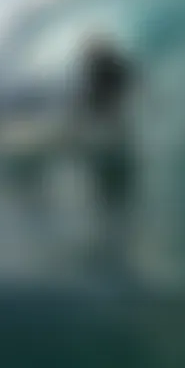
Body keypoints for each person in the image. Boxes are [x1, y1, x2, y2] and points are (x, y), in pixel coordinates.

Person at [77, 33, 138, 265]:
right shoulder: (96, 66)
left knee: (115, 190)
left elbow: (129, 81)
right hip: (104, 119)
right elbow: (87, 95)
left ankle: (116, 231)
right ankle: (111, 229)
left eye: (91, 50)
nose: (88, 55)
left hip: (111, 119)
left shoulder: (110, 64)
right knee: (106, 192)